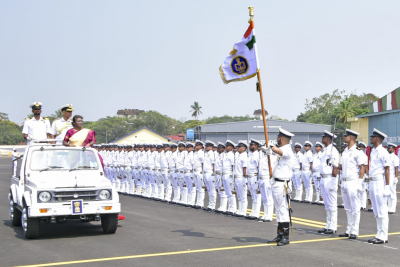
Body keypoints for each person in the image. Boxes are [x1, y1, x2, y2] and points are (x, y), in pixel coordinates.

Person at [265, 128, 295, 246]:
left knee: (283, 209)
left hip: (283, 185)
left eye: (278, 137)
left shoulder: (287, 150)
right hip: (276, 183)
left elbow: (278, 151)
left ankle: (285, 237)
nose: (277, 139)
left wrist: (270, 146)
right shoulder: (282, 150)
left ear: (282, 139)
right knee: (278, 209)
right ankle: (280, 234)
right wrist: (269, 151)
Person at [335, 129, 364, 239]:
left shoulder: (357, 152)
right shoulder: (345, 151)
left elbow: (362, 168)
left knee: (355, 207)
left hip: (353, 181)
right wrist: (334, 163)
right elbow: (342, 167)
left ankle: (355, 231)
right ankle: (349, 229)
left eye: (346, 136)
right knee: (347, 207)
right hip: (344, 181)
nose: (344, 137)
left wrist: (360, 183)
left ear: (351, 138)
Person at [367, 128, 390, 244]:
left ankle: (383, 235)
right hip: (372, 182)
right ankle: (378, 233)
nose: (370, 139)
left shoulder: (383, 152)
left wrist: (387, 186)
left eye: (372, 137)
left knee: (382, 209)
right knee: (376, 210)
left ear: (377, 139)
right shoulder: (373, 151)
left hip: (379, 183)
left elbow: (387, 170)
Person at [317, 130, 339, 235]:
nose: (322, 139)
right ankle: (328, 225)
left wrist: (334, 181)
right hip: (323, 178)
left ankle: (333, 226)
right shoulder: (325, 150)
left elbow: (336, 167)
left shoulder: (333, 150)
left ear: (328, 139)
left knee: (332, 204)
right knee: (326, 204)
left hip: (330, 178)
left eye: (324, 137)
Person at [246, 139, 262, 220]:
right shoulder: (250, 155)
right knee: (252, 195)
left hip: (255, 176)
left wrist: (258, 179)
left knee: (257, 195)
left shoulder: (258, 155)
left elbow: (259, 168)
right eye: (250, 145)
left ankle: (257, 213)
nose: (250, 146)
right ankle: (253, 211)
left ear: (256, 146)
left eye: (252, 145)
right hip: (249, 176)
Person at [234, 141, 249, 217]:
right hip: (237, 177)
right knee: (239, 195)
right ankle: (240, 210)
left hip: (241, 178)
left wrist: (245, 179)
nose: (238, 148)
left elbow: (245, 169)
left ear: (244, 148)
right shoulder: (238, 156)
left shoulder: (244, 156)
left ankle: (243, 211)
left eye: (240, 147)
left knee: (243, 195)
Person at [222, 140, 236, 215]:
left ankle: (232, 208)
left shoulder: (231, 155)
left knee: (231, 193)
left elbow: (233, 167)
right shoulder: (225, 155)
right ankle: (229, 207)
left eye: (227, 146)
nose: (226, 147)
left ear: (231, 147)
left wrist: (232, 177)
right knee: (227, 192)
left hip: (229, 175)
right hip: (224, 174)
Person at [203, 140, 216, 211]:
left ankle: (212, 205)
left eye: (207, 146)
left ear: (211, 147)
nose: (206, 147)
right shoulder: (206, 154)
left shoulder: (212, 154)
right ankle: (210, 204)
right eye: (206, 146)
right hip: (205, 173)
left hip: (210, 173)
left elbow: (213, 165)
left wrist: (214, 175)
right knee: (209, 190)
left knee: (212, 190)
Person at [214, 142, 227, 213]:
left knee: (223, 191)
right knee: (220, 191)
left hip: (222, 175)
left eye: (220, 148)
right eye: (218, 148)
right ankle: (221, 206)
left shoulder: (224, 156)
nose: (218, 149)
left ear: (223, 149)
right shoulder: (218, 156)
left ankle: (224, 207)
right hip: (217, 174)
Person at [386, 143, 398, 214]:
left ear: (393, 149)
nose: (388, 149)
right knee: (388, 192)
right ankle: (389, 206)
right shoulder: (387, 156)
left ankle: (393, 208)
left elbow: (396, 168)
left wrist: (396, 178)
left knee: (392, 192)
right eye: (388, 148)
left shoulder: (395, 157)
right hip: (387, 175)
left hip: (392, 175)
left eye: (390, 148)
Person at [193, 140, 205, 208]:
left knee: (200, 188)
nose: (195, 146)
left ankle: (200, 203)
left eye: (197, 145)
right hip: (195, 171)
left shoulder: (201, 153)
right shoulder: (196, 153)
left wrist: (203, 173)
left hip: (199, 171)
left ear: (200, 146)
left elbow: (203, 164)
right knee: (197, 188)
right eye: (195, 145)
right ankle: (197, 202)